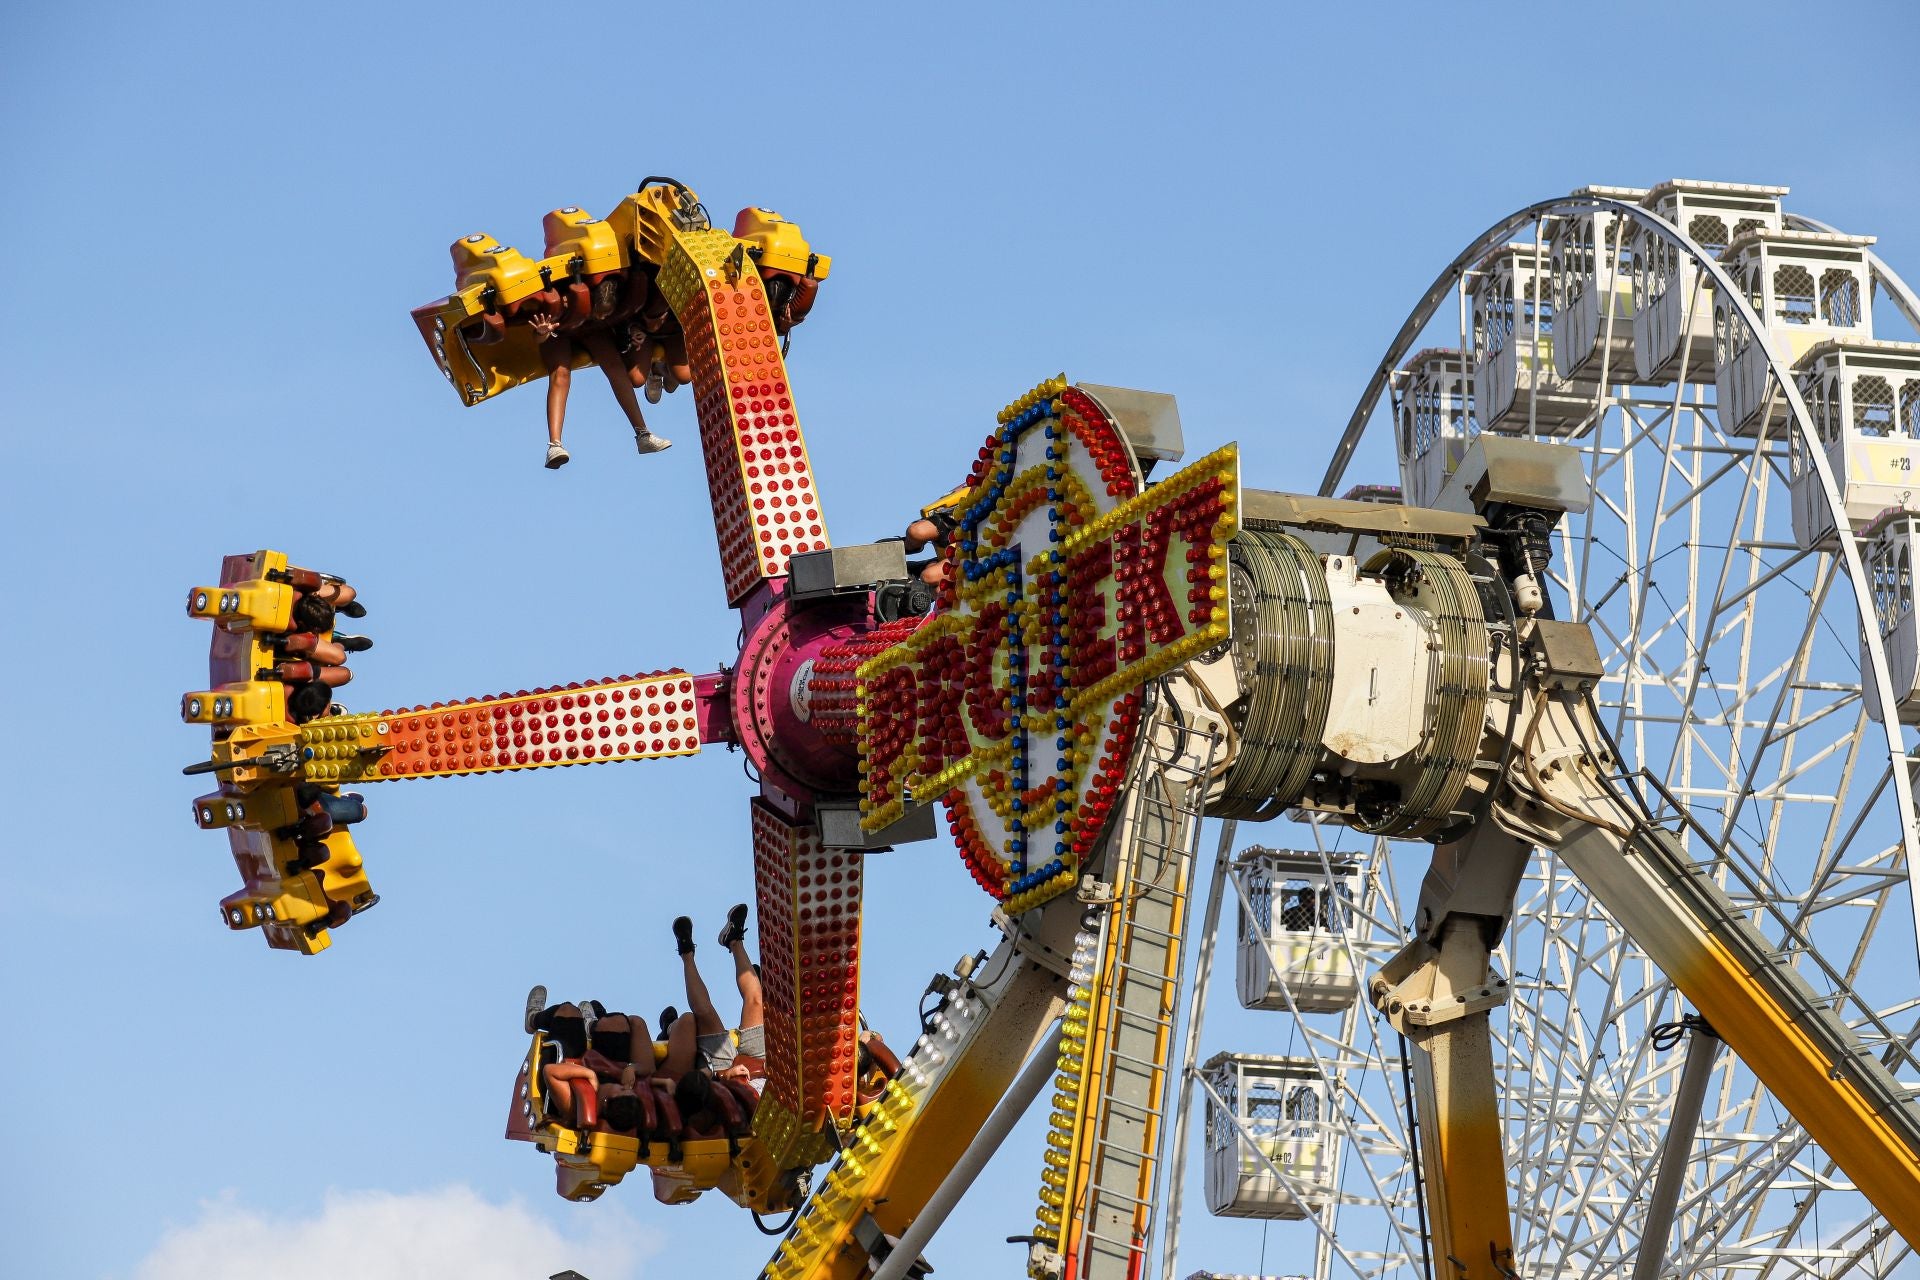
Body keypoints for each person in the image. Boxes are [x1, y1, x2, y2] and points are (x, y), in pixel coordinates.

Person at [665, 903, 767, 1096]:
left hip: (726, 1073)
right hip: (760, 1064)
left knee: (704, 1012)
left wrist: (726, 1075)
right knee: (756, 1000)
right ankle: (734, 940)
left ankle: (686, 953)